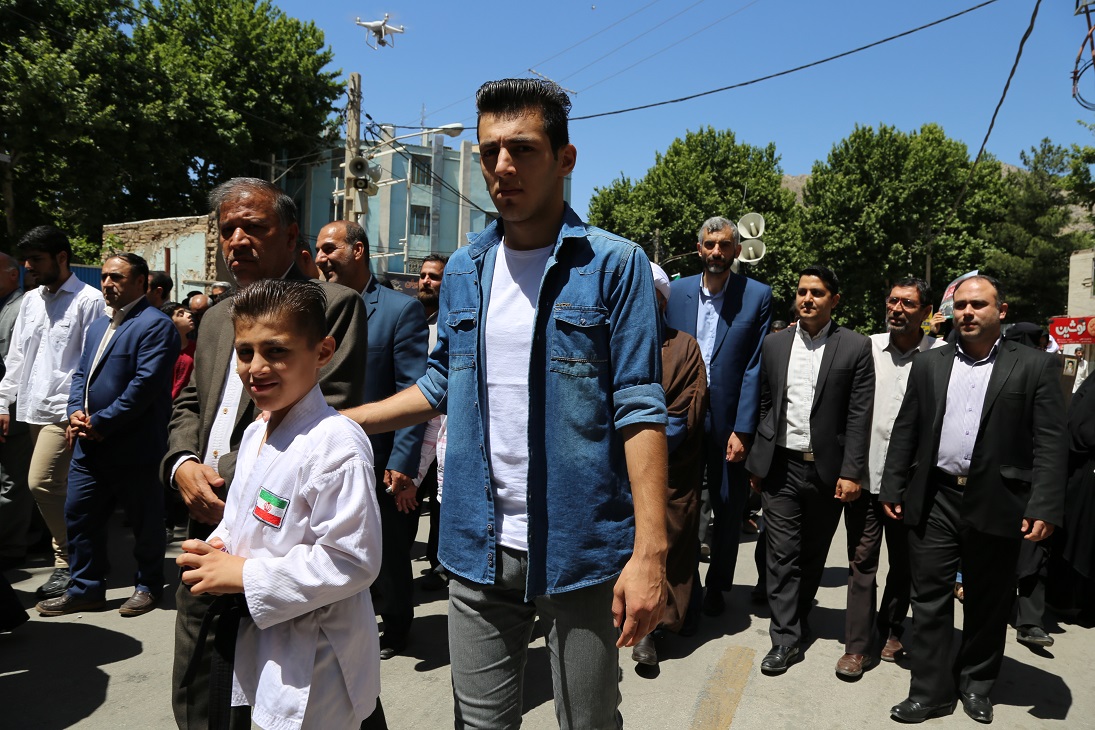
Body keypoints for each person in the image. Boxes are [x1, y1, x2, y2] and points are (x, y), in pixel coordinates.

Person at [344, 78, 667, 728]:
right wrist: (338, 421)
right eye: (490, 150)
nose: (502, 166)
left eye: (521, 149)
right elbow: (441, 384)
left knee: (589, 722)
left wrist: (650, 552)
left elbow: (638, 406)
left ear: (564, 159)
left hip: (580, 549)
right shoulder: (466, 268)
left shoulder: (613, 265)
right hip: (475, 546)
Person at [165, 177, 368, 730]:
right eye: (227, 229)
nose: (237, 240)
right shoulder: (215, 317)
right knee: (199, 680)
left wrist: (228, 481)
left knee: (288, 691)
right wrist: (184, 466)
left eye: (253, 227)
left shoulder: (329, 307)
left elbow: (320, 413)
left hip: (281, 530)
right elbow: (190, 404)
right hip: (210, 522)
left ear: (290, 233)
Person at [881, 275, 1066, 724]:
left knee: (988, 598)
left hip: (999, 500)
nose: (967, 312)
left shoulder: (1035, 365)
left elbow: (1050, 441)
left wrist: (1044, 505)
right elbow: (907, 428)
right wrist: (892, 485)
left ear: (1001, 311)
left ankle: (977, 684)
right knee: (929, 598)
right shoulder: (930, 363)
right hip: (937, 496)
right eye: (961, 305)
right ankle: (929, 692)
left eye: (978, 304)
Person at [745, 265, 874, 677]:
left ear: (834, 300)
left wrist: (852, 472)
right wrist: (760, 455)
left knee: (813, 554)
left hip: (827, 471)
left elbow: (859, 415)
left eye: (817, 293)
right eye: (802, 292)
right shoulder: (774, 344)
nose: (807, 299)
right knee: (781, 555)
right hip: (781, 467)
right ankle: (784, 638)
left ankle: (799, 615)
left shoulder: (855, 346)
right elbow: (765, 403)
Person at [35, 253, 180, 617]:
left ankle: (148, 585)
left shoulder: (155, 325)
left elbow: (144, 386)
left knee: (144, 519)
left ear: (141, 282)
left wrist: (101, 422)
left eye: (117, 277)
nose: (107, 284)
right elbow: (80, 375)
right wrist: (75, 412)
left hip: (134, 445)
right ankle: (85, 589)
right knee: (80, 516)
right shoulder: (100, 325)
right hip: (89, 446)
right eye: (103, 277)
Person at [314, 219, 428, 659]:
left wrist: (402, 461)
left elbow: (413, 391)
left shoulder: (400, 311)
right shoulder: (311, 308)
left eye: (329, 249)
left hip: (377, 458)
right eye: (319, 250)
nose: (321, 258)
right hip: (321, 455)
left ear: (358, 250)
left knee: (389, 552)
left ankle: (396, 626)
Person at [664, 216, 771, 616]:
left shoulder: (756, 295)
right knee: (682, 504)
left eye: (724, 245)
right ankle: (684, 584)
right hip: (682, 417)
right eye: (710, 245)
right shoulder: (677, 292)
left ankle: (718, 585)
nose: (716, 252)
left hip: (729, 422)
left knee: (728, 504)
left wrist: (743, 429)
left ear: (736, 250)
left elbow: (754, 366)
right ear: (699, 249)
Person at [839, 279, 942, 678]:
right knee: (861, 562)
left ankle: (892, 628)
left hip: (912, 487)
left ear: (926, 312)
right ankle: (857, 646)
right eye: (893, 301)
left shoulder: (940, 355)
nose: (897, 309)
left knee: (904, 564)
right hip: (865, 479)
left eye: (908, 303)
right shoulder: (867, 348)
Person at [0, 226, 104, 599]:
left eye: (36, 259)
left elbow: (93, 361)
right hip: (32, 407)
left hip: (66, 409)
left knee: (40, 483)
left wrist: (83, 410)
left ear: (61, 257)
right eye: (26, 260)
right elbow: (16, 356)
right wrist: (3, 402)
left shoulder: (89, 300)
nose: (29, 267)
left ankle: (68, 561)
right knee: (61, 487)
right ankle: (86, 554)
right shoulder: (30, 301)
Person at [632, 263, 708, 668]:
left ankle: (654, 630)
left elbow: (682, 415)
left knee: (669, 549)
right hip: (615, 473)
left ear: (662, 301)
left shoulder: (684, 347)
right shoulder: (614, 343)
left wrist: (634, 447)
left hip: (668, 472)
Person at [413, 253, 449, 591]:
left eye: (434, 276)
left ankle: (440, 562)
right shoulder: (409, 318)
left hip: (444, 425)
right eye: (423, 275)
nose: (426, 281)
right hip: (412, 424)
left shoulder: (449, 322)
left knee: (440, 498)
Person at [0, 252, 31, 568]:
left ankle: (12, 546)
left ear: (12, 275)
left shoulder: (20, 307)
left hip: (11, 410)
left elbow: (15, 365)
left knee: (13, 481)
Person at [160, 303, 197, 400]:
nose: (189, 315)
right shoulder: (161, 350)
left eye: (187, 312)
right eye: (180, 314)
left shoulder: (197, 348)